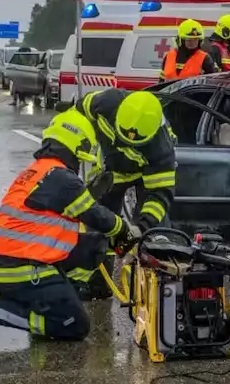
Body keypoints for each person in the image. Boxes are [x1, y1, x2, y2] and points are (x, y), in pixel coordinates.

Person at [0, 109, 140, 340]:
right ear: (76, 146)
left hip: (11, 261)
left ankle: (62, 296)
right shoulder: (61, 179)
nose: (80, 161)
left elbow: (70, 210)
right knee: (74, 325)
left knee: (95, 245)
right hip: (19, 269)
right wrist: (125, 230)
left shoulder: (40, 171)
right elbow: (96, 215)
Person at [71, 88, 176, 299]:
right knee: (100, 222)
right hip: (110, 172)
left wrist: (142, 227)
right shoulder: (105, 101)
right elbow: (78, 114)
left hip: (146, 175)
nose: (124, 142)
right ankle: (98, 285)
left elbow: (160, 194)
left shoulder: (162, 150)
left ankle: (162, 289)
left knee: (156, 230)